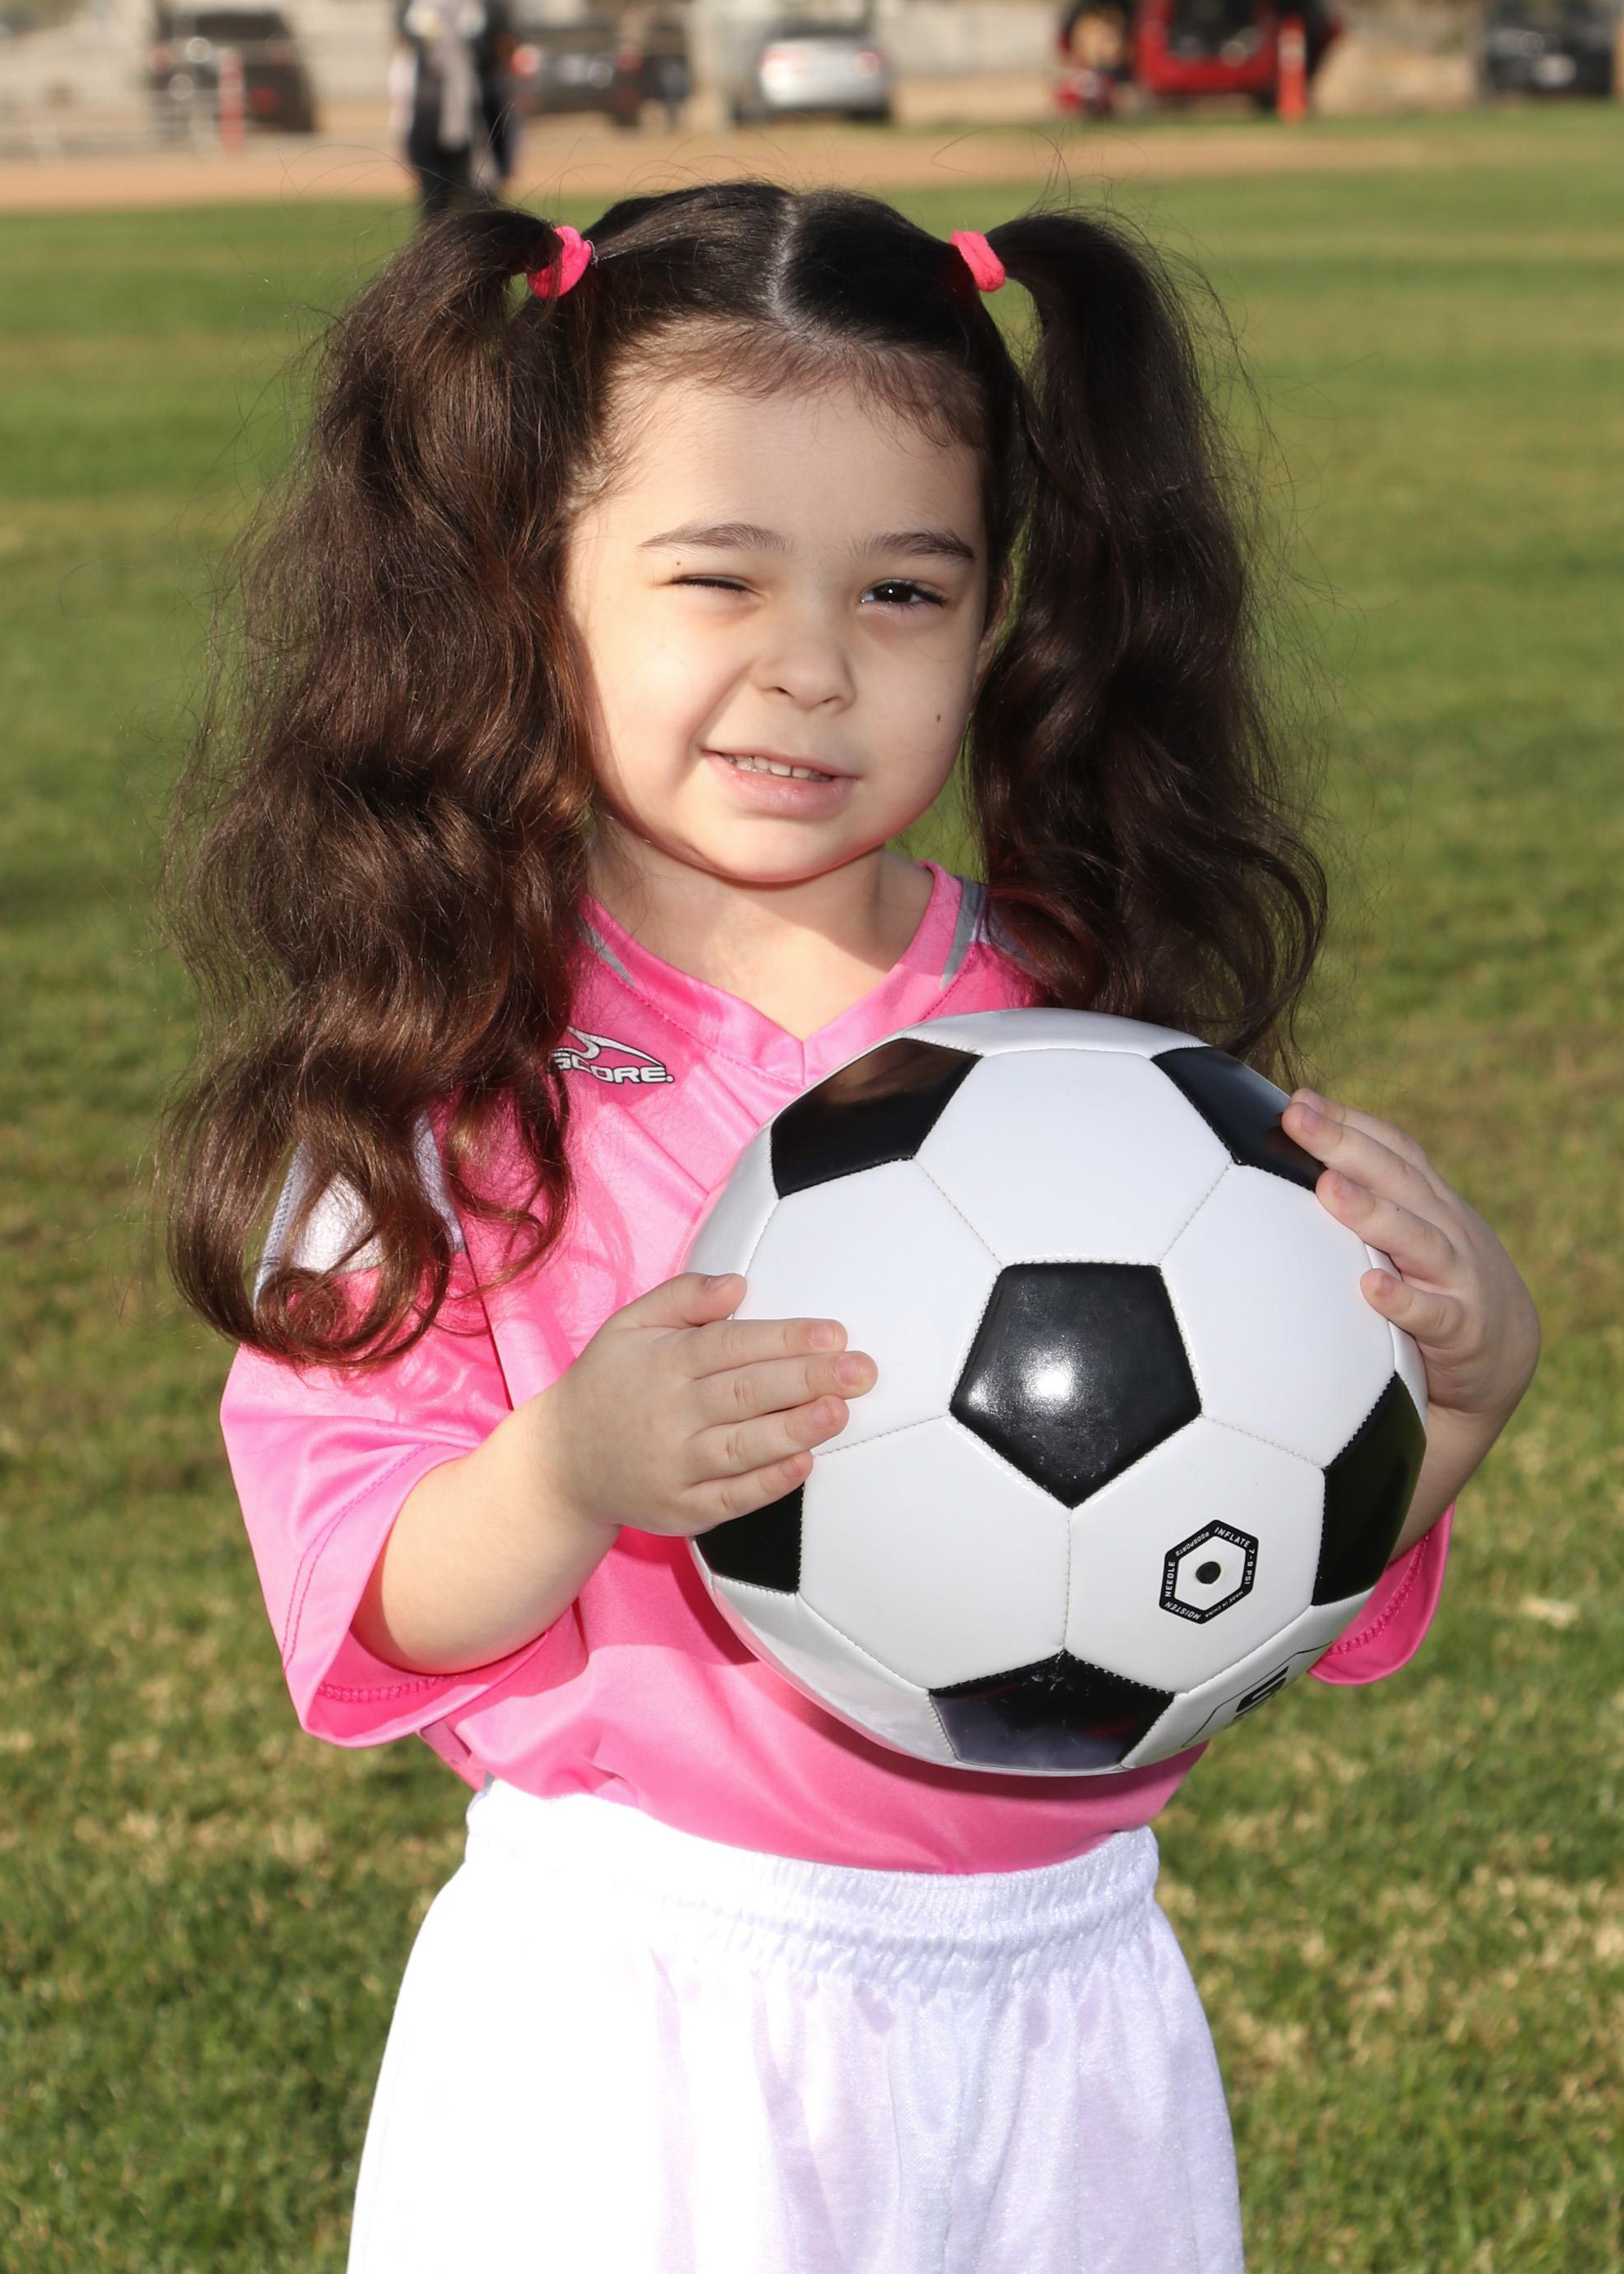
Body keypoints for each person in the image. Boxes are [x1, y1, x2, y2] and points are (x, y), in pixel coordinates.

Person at [158, 186, 1541, 2272]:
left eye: (901, 589)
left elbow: (1264, 1545)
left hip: (1069, 2002)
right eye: (717, 575)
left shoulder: (1102, 1061)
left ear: (994, 624)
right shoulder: (437, 1080)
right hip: (645, 2021)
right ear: (531, 583)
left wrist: (1461, 1394)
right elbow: (371, 1592)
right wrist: (569, 1469)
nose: (808, 666)